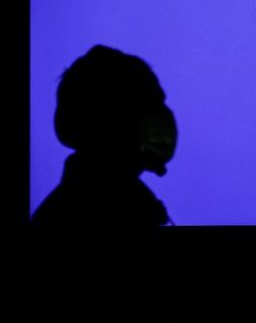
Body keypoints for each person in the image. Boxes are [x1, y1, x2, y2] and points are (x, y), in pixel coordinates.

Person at [32, 45, 177, 226]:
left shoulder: (135, 205)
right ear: (107, 119)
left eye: (157, 105)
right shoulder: (111, 212)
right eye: (146, 106)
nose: (162, 118)